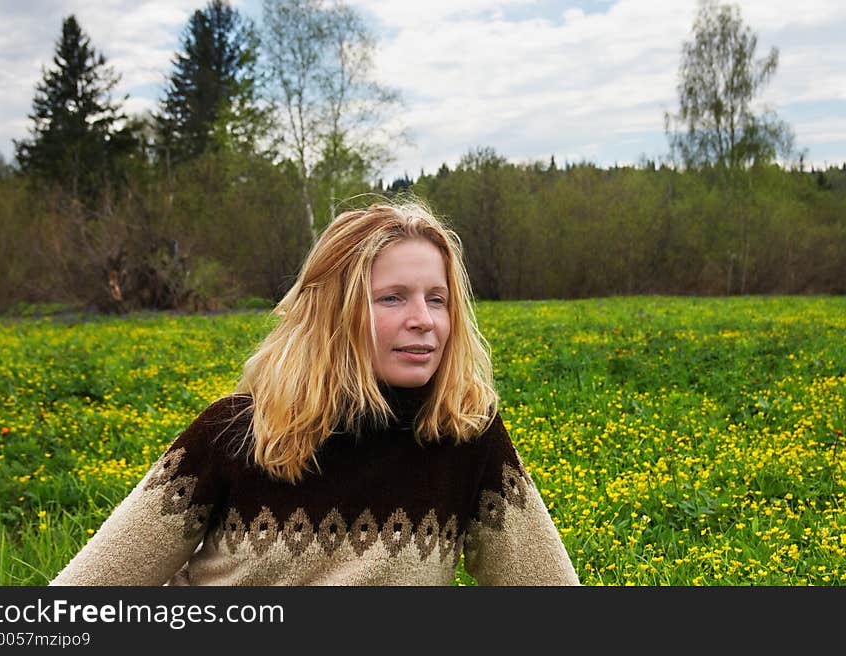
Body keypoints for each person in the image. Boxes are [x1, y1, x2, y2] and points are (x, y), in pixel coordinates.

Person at [49, 198, 580, 586]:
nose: (423, 321)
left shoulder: (465, 436)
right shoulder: (233, 434)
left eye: (437, 299)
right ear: (333, 312)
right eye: (392, 298)